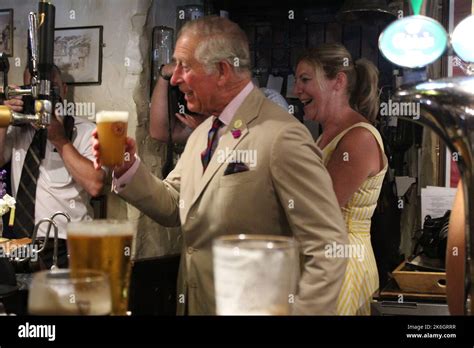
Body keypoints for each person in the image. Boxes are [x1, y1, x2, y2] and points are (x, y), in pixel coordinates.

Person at [93, 16, 348, 315]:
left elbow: (328, 248)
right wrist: (125, 167)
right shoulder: (203, 133)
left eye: (184, 67)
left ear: (223, 71)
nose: (174, 79)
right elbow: (175, 203)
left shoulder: (283, 136)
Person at [294, 43, 387, 315]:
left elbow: (320, 212)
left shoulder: (358, 138)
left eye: (306, 79)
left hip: (344, 265)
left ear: (338, 81)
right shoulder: (324, 135)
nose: (296, 89)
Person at [0, 65, 106, 269]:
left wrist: (60, 140)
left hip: (68, 245)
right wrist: (4, 118)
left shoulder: (86, 132)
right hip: (21, 245)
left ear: (64, 90)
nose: (42, 100)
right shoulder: (17, 130)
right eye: (33, 90)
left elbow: (96, 184)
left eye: (51, 91)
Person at [150, 62, 289, 145]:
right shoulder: (208, 114)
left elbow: (258, 148)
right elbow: (160, 133)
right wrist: (164, 74)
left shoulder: (270, 100)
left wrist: (211, 130)